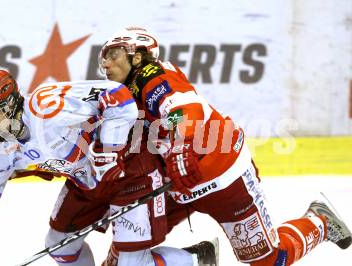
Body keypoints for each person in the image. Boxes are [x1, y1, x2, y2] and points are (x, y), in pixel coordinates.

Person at [99, 26, 352, 266]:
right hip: (176, 184)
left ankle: (321, 222)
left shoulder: (152, 77)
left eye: (114, 55)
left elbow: (182, 110)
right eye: (104, 58)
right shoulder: (122, 96)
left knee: (269, 261)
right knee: (126, 250)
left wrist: (180, 146)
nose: (105, 64)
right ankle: (198, 259)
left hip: (223, 179)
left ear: (137, 57)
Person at [0, 70, 217, 266]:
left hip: (128, 171)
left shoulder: (48, 105)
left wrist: (108, 150)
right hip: (85, 182)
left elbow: (118, 96)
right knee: (59, 246)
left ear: (9, 105)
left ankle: (196, 259)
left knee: (130, 263)